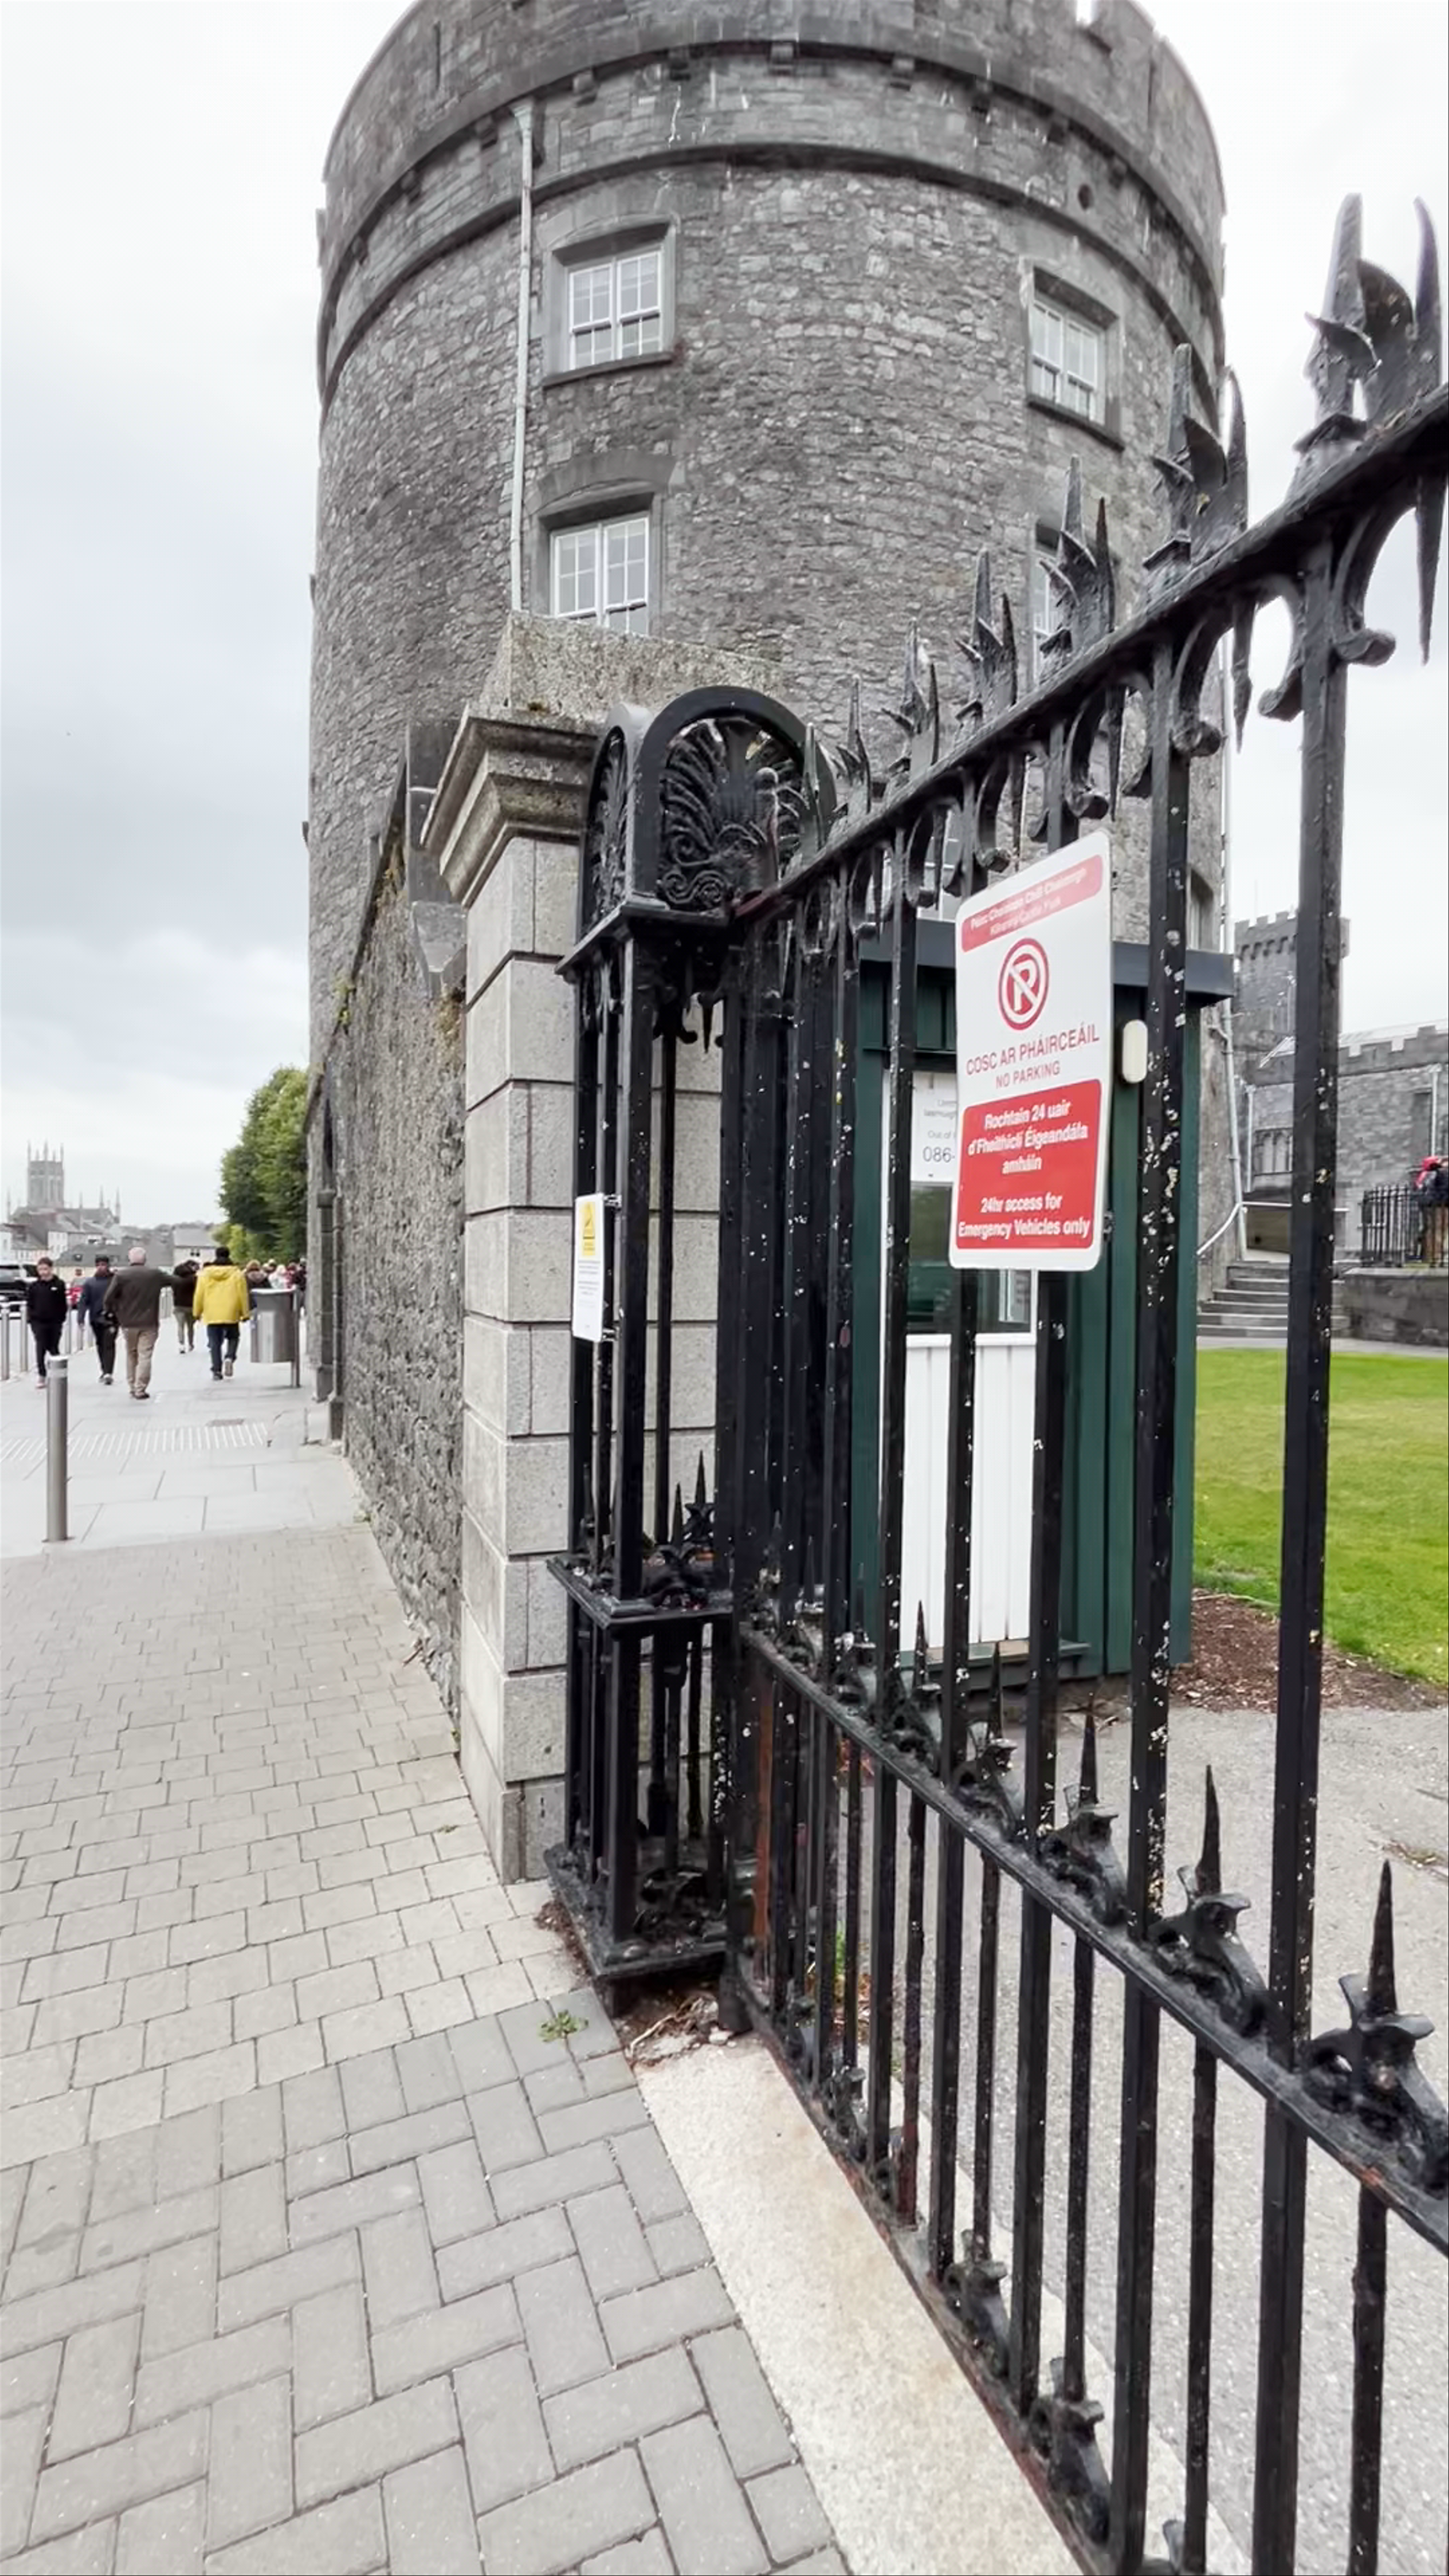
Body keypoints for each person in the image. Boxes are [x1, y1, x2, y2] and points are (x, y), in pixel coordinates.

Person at [104, 1244, 172, 1401]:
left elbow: (109, 1298)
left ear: (130, 1260)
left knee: (131, 1354)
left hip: (128, 1323)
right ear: (145, 1259)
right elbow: (175, 1281)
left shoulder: (121, 1276)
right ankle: (141, 1388)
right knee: (145, 1355)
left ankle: (132, 1385)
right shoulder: (154, 1274)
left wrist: (112, 1311)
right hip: (149, 1322)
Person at [193, 1246, 252, 1380]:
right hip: (231, 1311)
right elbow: (243, 1295)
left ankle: (217, 1370)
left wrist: (197, 1312)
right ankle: (230, 1357)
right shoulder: (237, 1274)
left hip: (212, 1312)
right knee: (233, 1337)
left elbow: (199, 1295)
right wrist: (245, 1313)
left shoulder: (205, 1274)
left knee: (214, 1342)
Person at [25, 1258, 68, 1388]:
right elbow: (30, 1303)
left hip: (55, 1322)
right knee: (41, 1346)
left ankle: (57, 1372)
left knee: (54, 1347)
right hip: (38, 1322)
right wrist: (31, 1319)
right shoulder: (34, 1287)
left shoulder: (59, 1284)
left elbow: (62, 1304)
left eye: (45, 1269)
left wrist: (61, 1318)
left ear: (51, 1269)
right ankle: (42, 1374)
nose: (43, 1272)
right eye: (40, 1270)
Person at [78, 1255, 119, 1384]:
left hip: (112, 1319)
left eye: (104, 1265)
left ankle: (108, 1372)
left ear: (108, 1266)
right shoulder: (90, 1283)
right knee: (100, 1344)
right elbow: (84, 1302)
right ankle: (104, 1370)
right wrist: (81, 1318)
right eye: (99, 1265)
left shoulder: (116, 1281)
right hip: (96, 1319)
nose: (101, 1267)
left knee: (109, 1344)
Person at [172, 1252, 200, 1354]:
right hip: (191, 1306)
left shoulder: (175, 1279)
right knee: (191, 1327)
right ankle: (191, 1344)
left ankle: (181, 1345)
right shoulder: (194, 1279)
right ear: (192, 1267)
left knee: (180, 1326)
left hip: (178, 1305)